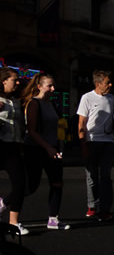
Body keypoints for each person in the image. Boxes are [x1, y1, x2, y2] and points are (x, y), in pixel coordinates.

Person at [21, 72, 69, 230]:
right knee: (31, 186)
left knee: (57, 182)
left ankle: (53, 219)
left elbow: (56, 127)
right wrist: (48, 147)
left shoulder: (53, 104)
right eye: (50, 86)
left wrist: (58, 146)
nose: (53, 88)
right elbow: (32, 131)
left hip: (52, 148)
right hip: (35, 148)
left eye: (53, 85)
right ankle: (4, 202)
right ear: (39, 87)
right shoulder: (34, 103)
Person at [77, 70, 114, 221]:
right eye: (107, 82)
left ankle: (105, 209)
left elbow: (112, 118)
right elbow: (81, 123)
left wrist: (113, 134)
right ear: (98, 84)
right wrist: (83, 144)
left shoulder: (111, 98)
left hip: (108, 142)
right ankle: (92, 205)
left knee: (106, 176)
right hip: (92, 141)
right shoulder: (86, 98)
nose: (110, 85)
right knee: (91, 176)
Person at [0, 68, 28, 235]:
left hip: (13, 146)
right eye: (14, 80)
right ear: (4, 81)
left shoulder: (16, 102)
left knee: (20, 184)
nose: (17, 83)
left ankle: (13, 222)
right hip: (0, 145)